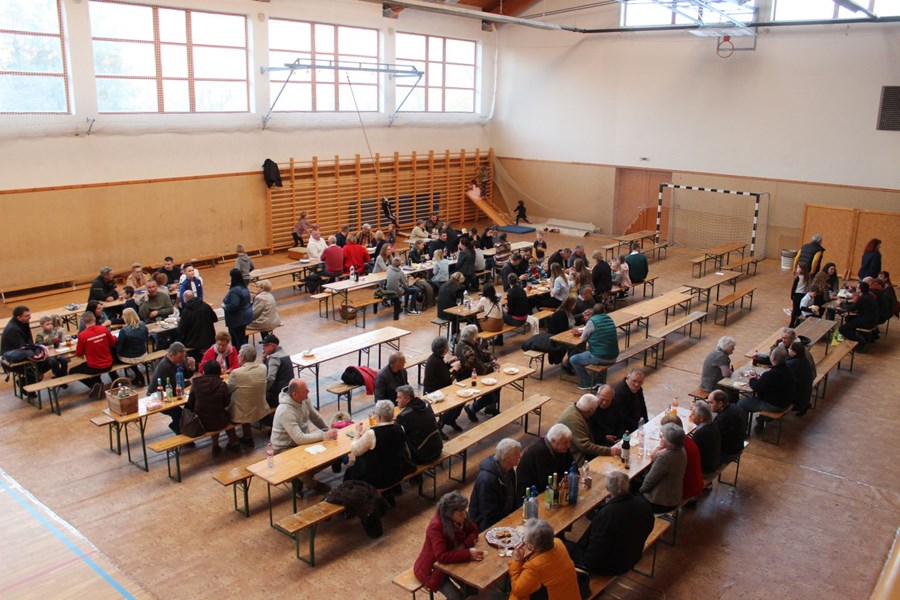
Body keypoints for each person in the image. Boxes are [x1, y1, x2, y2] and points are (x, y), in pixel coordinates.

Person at [569, 470, 654, 576]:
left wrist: (585, 563)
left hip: (611, 566)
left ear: (607, 489)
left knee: (566, 550)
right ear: (628, 486)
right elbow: (649, 527)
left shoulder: (607, 514)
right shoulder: (643, 504)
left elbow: (596, 551)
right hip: (633, 555)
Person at [270, 378, 338, 493]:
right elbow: (299, 438)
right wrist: (324, 435)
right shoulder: (285, 410)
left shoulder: (304, 399)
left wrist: (327, 429)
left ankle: (299, 478)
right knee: (303, 465)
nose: (308, 391)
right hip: (284, 448)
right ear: (295, 394)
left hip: (299, 442)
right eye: (305, 390)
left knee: (328, 454)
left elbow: (315, 416)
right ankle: (311, 483)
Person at [414, 491, 482, 600]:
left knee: (473, 588)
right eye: (461, 514)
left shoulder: (460, 516)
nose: (465, 516)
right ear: (450, 514)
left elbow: (474, 530)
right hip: (433, 569)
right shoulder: (436, 527)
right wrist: (468, 554)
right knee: (456, 597)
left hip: (451, 561)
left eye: (464, 511)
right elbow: (442, 556)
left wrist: (463, 545)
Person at [346, 400, 414, 501]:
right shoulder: (400, 428)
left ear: (378, 416)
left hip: (378, 479)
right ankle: (392, 494)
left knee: (350, 471)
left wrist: (357, 433)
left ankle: (354, 502)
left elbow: (355, 451)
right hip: (397, 472)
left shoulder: (372, 434)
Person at [508, 518, 580, 600]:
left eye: (525, 540)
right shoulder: (558, 542)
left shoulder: (535, 567)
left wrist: (518, 561)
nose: (524, 541)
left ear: (532, 547)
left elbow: (518, 590)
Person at [2, 306, 68, 390]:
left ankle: (60, 380)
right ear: (19, 317)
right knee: (50, 362)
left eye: (30, 315)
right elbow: (22, 347)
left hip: (24, 353)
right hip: (12, 359)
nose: (30, 317)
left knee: (57, 360)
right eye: (27, 316)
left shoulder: (23, 323)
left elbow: (29, 343)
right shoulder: (13, 329)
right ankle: (25, 384)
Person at [186, 361, 241, 455]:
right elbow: (226, 403)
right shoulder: (222, 384)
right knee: (223, 414)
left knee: (213, 413)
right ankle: (234, 442)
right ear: (219, 371)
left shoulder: (195, 383)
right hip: (220, 422)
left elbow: (190, 403)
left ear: (204, 371)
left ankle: (215, 446)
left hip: (200, 423)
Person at [468, 439, 522, 531]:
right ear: (507, 458)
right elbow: (488, 513)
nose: (520, 456)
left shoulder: (509, 469)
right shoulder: (487, 479)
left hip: (506, 518)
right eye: (517, 454)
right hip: (487, 525)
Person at [740, 346, 794, 433]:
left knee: (742, 404)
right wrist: (761, 379)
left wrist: (752, 379)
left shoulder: (771, 374)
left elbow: (757, 387)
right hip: (786, 402)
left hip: (775, 405)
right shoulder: (789, 369)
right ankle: (761, 422)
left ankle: (742, 431)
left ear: (773, 358)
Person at [557, 393, 621, 465]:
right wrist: (609, 451)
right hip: (575, 458)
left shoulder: (577, 410)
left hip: (580, 451)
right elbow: (585, 446)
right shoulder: (574, 420)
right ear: (590, 411)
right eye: (595, 409)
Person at [637, 423, 687, 512]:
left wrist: (638, 492)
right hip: (674, 496)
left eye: (663, 436)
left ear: (670, 442)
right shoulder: (682, 450)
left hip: (660, 502)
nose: (660, 437)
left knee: (630, 493)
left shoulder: (665, 457)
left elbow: (648, 482)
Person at [147, 342, 196, 433]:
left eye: (183, 357)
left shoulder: (179, 361)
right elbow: (175, 388)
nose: (183, 359)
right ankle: (179, 431)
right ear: (171, 355)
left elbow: (187, 375)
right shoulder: (165, 367)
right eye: (180, 357)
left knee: (191, 404)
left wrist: (192, 367)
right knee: (177, 412)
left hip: (170, 393)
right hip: (158, 397)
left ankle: (183, 427)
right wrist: (189, 382)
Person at [455, 324, 501, 422]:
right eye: (476, 334)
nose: (478, 336)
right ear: (472, 337)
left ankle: (490, 408)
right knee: (491, 396)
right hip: (469, 378)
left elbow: (484, 353)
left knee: (497, 385)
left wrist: (492, 358)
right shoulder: (467, 351)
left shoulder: (472, 342)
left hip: (476, 373)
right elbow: (481, 370)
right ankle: (471, 408)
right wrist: (493, 364)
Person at [516, 424, 574, 497]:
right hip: (530, 494)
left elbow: (573, 466)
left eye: (569, 442)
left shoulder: (562, 448)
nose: (568, 445)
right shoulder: (540, 451)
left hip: (546, 489)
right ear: (553, 441)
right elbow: (548, 481)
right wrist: (566, 478)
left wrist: (569, 476)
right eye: (565, 443)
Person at [569, 303, 618, 390]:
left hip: (600, 357)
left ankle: (587, 382)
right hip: (613, 356)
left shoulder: (592, 321)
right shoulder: (610, 319)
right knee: (602, 349)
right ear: (604, 311)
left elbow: (583, 338)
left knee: (573, 359)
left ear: (593, 312)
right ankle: (600, 381)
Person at [423, 336, 463, 439]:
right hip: (434, 393)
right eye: (447, 346)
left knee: (461, 399)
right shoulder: (436, 361)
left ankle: (451, 420)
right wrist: (456, 369)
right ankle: (440, 425)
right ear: (444, 349)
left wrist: (450, 363)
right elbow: (448, 380)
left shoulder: (435, 358)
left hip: (439, 389)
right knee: (458, 400)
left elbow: (442, 369)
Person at [71, 311, 117, 398]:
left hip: (94, 367)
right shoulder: (103, 329)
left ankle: (93, 385)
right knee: (91, 365)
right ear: (94, 319)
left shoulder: (82, 335)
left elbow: (79, 353)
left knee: (72, 371)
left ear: (83, 322)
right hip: (109, 364)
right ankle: (97, 384)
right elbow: (112, 342)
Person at [660, 413, 703, 502]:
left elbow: (662, 468)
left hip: (686, 489)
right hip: (696, 483)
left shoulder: (677, 449)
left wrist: (658, 450)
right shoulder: (686, 439)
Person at [396, 385, 443, 464]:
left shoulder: (404, 415)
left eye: (399, 398)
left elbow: (397, 434)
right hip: (438, 447)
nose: (396, 400)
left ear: (407, 399)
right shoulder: (426, 404)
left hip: (423, 456)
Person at [176, 290, 218, 363]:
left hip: (193, 342)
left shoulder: (186, 311)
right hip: (209, 338)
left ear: (185, 298)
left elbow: (181, 329)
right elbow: (215, 319)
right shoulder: (206, 306)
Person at [708, 390, 747, 464]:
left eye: (711, 402)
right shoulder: (734, 407)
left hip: (728, 453)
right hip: (739, 446)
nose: (709, 405)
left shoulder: (722, 418)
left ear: (720, 403)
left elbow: (712, 438)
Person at [839, 281, 880, 345]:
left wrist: (840, 304)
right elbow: (856, 305)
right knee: (848, 318)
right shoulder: (869, 296)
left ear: (860, 290)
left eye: (857, 287)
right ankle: (854, 334)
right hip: (873, 319)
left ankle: (860, 341)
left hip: (867, 321)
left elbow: (850, 308)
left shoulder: (863, 298)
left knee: (842, 329)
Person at [116, 308, 148, 386]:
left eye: (123, 315)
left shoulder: (124, 331)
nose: (122, 317)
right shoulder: (143, 326)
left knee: (115, 355)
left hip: (130, 357)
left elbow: (119, 347)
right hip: (143, 353)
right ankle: (138, 375)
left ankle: (116, 378)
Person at [222, 268, 252, 349]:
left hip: (237, 319)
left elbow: (234, 305)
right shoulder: (244, 287)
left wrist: (225, 306)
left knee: (237, 341)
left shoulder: (234, 290)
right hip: (245, 317)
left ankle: (240, 354)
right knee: (242, 339)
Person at [689, 400, 721, 476]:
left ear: (701, 418)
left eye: (693, 414)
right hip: (713, 463)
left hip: (705, 469)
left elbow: (691, 453)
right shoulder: (713, 425)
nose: (690, 416)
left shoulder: (701, 432)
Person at [261, 334, 293, 409]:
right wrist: (265, 360)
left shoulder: (274, 358)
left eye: (265, 345)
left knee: (255, 397)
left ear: (272, 346)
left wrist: (263, 391)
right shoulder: (285, 354)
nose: (263, 348)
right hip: (288, 392)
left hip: (278, 396)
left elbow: (271, 378)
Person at [786, 339, 813, 416]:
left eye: (790, 349)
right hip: (806, 394)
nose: (788, 349)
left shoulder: (791, 364)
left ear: (794, 352)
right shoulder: (804, 360)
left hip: (798, 398)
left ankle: (765, 417)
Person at [788, 262, 810, 327]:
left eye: (798, 268)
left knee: (794, 310)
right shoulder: (807, 277)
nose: (796, 269)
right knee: (799, 310)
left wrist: (791, 297)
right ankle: (797, 323)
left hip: (797, 295)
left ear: (802, 270)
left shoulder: (798, 278)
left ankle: (792, 324)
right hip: (803, 295)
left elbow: (793, 288)